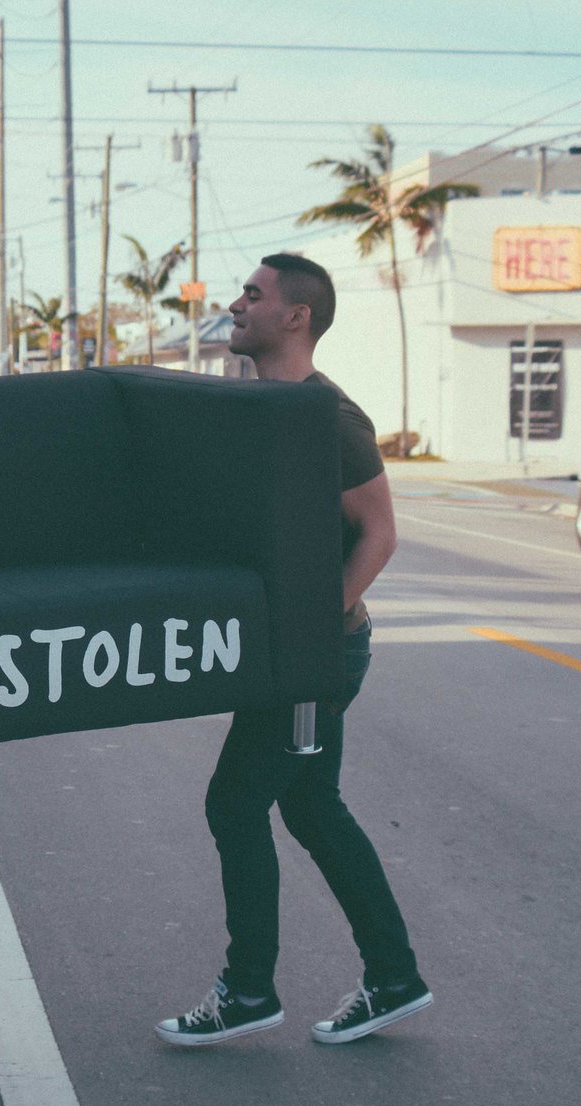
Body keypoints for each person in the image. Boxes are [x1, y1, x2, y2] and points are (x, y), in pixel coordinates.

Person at [156, 252, 431, 1048]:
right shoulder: (257, 409)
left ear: (296, 316)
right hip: (279, 648)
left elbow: (378, 536)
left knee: (234, 802)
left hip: (315, 655)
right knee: (312, 807)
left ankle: (247, 990)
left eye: (252, 294)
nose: (236, 304)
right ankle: (394, 976)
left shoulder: (328, 417)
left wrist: (311, 632)